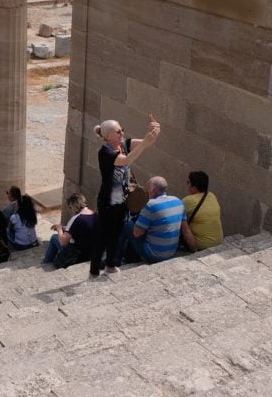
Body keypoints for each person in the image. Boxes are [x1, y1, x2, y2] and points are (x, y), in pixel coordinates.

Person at [89, 115, 160, 277]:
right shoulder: (106, 152)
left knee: (117, 233)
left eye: (122, 130)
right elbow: (126, 160)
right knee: (104, 235)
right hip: (108, 202)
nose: (122, 134)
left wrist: (154, 132)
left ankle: (111, 264)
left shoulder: (123, 144)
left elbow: (146, 143)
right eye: (118, 132)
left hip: (122, 200)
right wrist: (144, 143)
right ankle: (94, 270)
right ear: (107, 136)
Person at [127, 176, 185, 264]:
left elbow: (136, 233)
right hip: (171, 252)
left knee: (127, 224)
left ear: (153, 190)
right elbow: (185, 229)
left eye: (147, 190)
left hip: (153, 256)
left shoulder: (150, 205)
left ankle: (117, 259)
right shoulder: (178, 201)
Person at [43, 194, 99, 268]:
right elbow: (80, 228)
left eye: (70, 207)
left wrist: (59, 228)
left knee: (54, 237)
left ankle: (46, 262)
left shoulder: (76, 218)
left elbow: (63, 242)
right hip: (93, 252)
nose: (70, 209)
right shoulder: (94, 214)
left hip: (80, 255)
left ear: (74, 206)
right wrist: (64, 228)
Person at [180, 171, 223, 252]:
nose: (187, 184)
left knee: (181, 222)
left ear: (194, 188)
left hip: (202, 244)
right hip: (218, 241)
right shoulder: (211, 195)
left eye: (188, 182)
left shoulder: (188, 200)